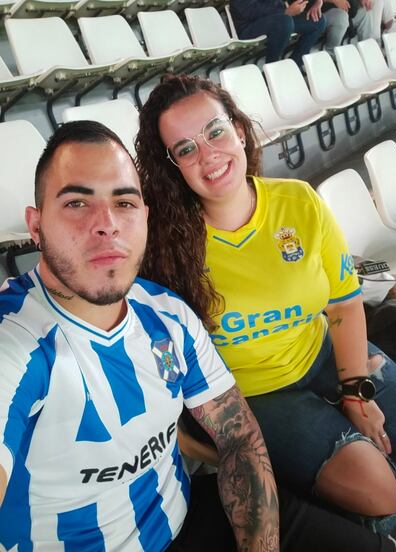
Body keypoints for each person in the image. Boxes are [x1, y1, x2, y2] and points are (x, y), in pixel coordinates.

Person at [135, 74, 396, 539]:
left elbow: (344, 304)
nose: (208, 155)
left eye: (215, 131)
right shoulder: (164, 247)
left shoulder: (299, 202)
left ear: (239, 129)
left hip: (322, 354)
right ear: (174, 166)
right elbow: (161, 350)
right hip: (256, 395)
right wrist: (197, 435)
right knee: (379, 495)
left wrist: (355, 391)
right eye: (185, 149)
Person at [0, 120, 279, 551]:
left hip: (186, 521)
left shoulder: (167, 315)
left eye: (125, 202)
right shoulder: (15, 338)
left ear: (144, 217)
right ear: (35, 227)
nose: (107, 224)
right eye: (76, 203)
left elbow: (239, 437)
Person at [229, 0, 326, 66]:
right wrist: (285, 11)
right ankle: (272, 67)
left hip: (279, 18)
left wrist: (317, 2)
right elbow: (250, 11)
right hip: (248, 27)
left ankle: (295, 64)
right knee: (284, 22)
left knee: (318, 21)